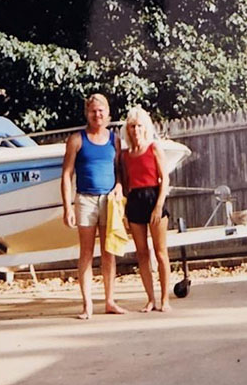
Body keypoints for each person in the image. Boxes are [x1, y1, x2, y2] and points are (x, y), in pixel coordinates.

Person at [61, 93, 126, 319]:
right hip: (85, 200)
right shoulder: (77, 140)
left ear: (108, 113)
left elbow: (119, 169)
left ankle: (109, 301)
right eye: (93, 111)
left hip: (109, 200)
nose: (97, 114)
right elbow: (67, 174)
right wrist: (67, 207)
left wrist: (119, 185)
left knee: (109, 252)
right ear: (87, 113)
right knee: (86, 253)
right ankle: (87, 304)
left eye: (101, 110)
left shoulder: (114, 140)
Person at [120, 106, 172, 312]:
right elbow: (125, 184)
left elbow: (165, 178)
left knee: (161, 253)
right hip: (134, 200)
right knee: (141, 253)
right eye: (132, 126)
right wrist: (124, 211)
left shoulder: (154, 148)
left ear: (145, 127)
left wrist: (158, 206)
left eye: (139, 125)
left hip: (153, 198)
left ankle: (165, 299)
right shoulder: (126, 155)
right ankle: (150, 299)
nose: (135, 130)